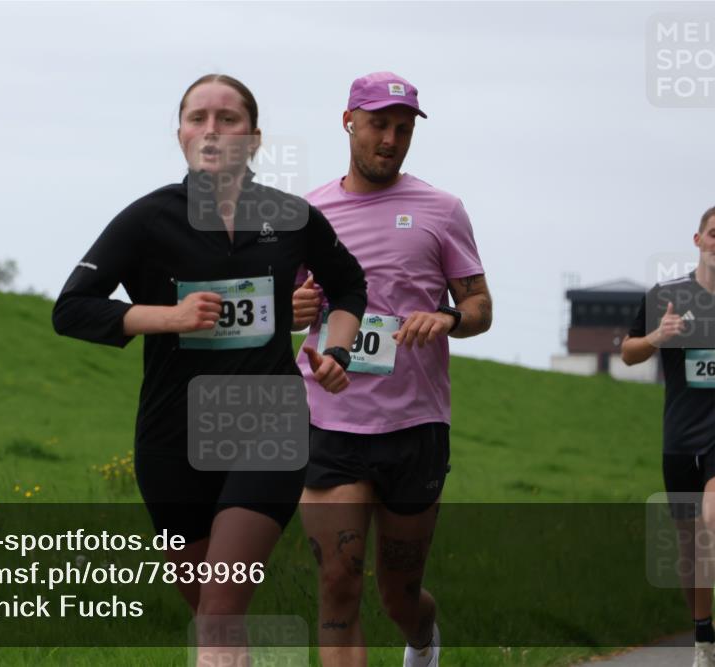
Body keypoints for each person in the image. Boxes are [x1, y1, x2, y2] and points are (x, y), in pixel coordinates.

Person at [52, 74, 367, 661]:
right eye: (198, 118)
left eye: (228, 119)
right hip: (171, 438)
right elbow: (71, 310)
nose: (212, 130)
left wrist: (339, 351)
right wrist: (166, 318)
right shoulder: (148, 220)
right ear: (180, 136)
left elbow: (349, 286)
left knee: (221, 611)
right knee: (212, 617)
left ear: (254, 139)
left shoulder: (291, 217)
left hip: (267, 426)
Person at [292, 72, 493, 667]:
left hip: (414, 428)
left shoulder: (442, 209)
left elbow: (481, 308)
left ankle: (422, 640)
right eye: (379, 125)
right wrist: (295, 307)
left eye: (402, 130)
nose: (390, 140)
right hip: (331, 422)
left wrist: (448, 320)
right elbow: (288, 304)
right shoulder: (310, 212)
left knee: (399, 595)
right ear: (349, 120)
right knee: (337, 586)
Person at [622, 206, 715, 667]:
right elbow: (627, 353)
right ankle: (704, 638)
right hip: (680, 438)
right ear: (698, 240)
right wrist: (659, 335)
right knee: (691, 549)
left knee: (712, 520)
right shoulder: (667, 296)